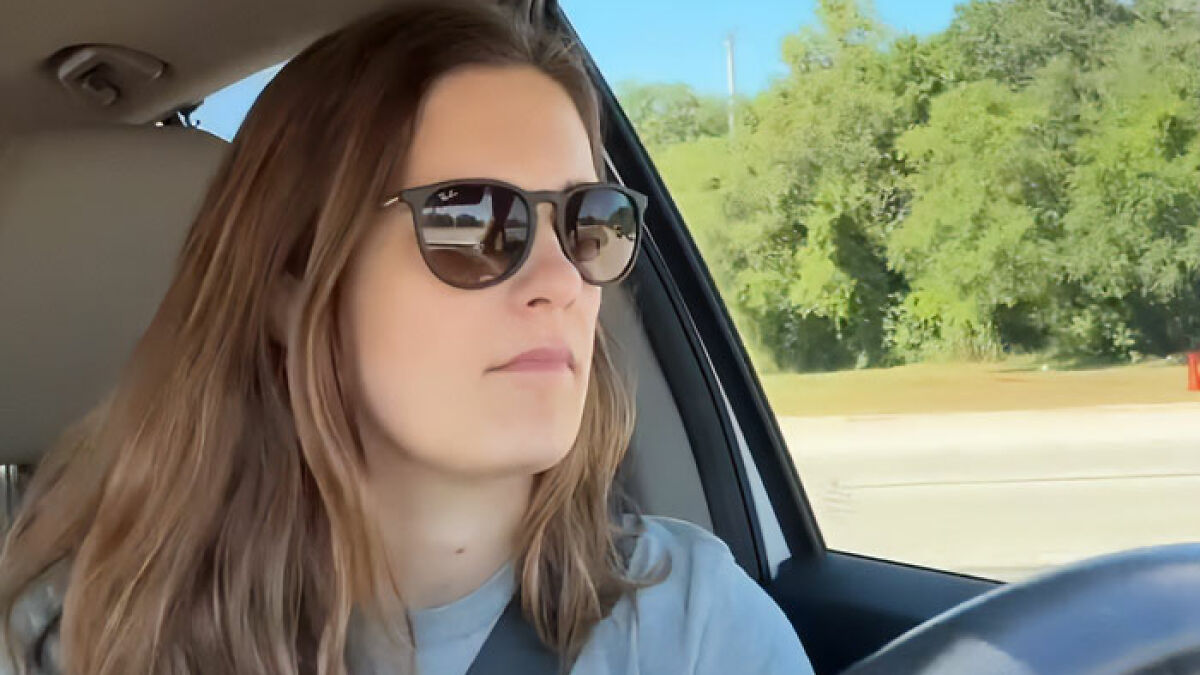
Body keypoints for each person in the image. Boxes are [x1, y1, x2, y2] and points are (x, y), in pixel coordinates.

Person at [0, 2, 815, 674]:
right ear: (291, 286)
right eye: (471, 222)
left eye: (587, 221)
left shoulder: (695, 628)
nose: (562, 280)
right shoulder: (84, 632)